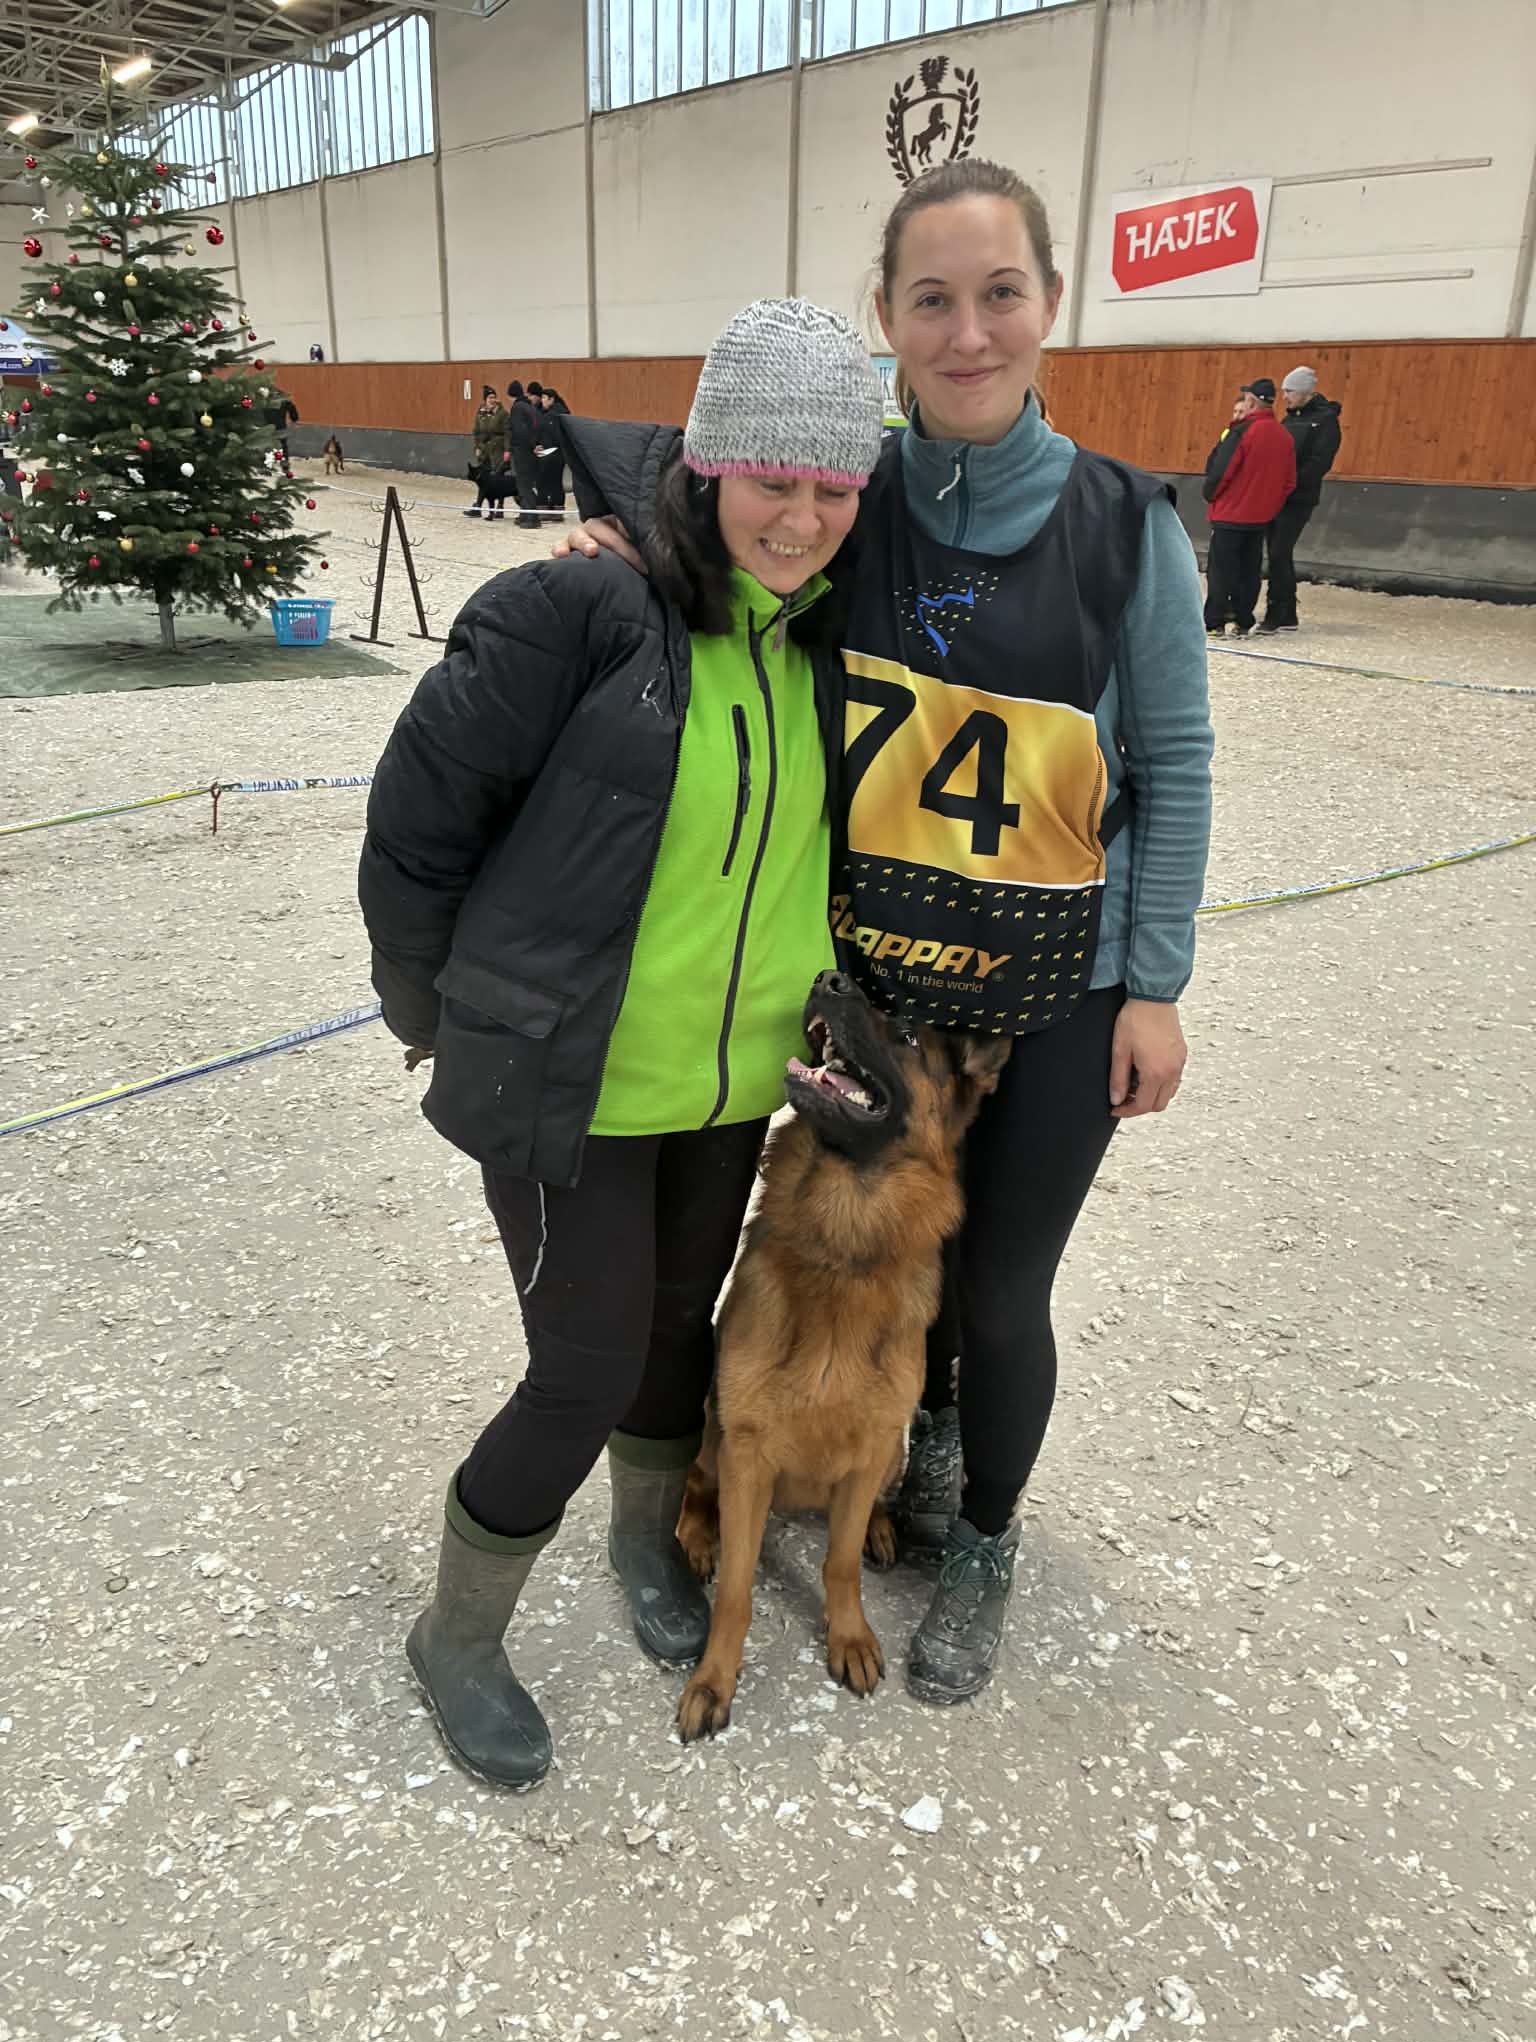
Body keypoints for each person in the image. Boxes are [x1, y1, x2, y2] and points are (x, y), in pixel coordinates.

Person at [563, 158, 1214, 1709]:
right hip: (874, 979)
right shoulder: (852, 501)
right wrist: (616, 557)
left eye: (999, 294)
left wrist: (1158, 985)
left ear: (1050, 304)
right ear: (889, 317)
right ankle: (845, 1447)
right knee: (822, 1254)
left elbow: (1177, 764)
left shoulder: (1129, 528)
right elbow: (728, 549)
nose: (968, 331)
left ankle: (980, 1533)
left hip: (1056, 989)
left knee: (999, 1286)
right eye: (933, 299)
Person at [358, 299, 883, 1788]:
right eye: (770, 477)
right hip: (570, 1089)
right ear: (707, 465)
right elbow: (414, 833)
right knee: (580, 1369)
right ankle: (458, 1634)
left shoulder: (824, 640)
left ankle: (643, 1544)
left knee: (673, 1335)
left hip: (726, 1091)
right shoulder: (580, 609)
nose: (800, 517)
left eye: (833, 485)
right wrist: (443, 1019)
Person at [1201, 377, 1296, 637]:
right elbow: (1289, 481)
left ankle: (1215, 621)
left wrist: (1211, 495)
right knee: (1249, 570)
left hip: (1230, 513)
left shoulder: (1242, 432)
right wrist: (1270, 506)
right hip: (1259, 517)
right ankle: (1243, 620)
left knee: (1221, 569)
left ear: (1251, 401)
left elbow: (1222, 471)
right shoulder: (1284, 436)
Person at [1259, 366, 1342, 634]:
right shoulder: (1289, 419)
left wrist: (1290, 485)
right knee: (1277, 553)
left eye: (1290, 391)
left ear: (1306, 392)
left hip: (1299, 498)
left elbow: (1319, 462)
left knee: (1279, 552)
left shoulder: (1325, 421)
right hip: (1276, 495)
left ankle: (1275, 611)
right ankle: (1287, 614)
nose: (1285, 396)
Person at [464, 384, 508, 519]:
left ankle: (499, 507)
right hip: (484, 450)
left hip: (497, 449)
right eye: (489, 397)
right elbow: (476, 431)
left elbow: (507, 433)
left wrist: (507, 450)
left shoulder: (502, 413)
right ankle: (478, 507)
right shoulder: (481, 413)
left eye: (494, 397)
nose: (492, 400)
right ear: (485, 399)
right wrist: (477, 446)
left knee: (498, 479)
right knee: (483, 480)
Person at [504, 379, 541, 529]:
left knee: (524, 485)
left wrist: (528, 445)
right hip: (530, 452)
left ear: (510, 395)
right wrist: (536, 444)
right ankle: (525, 514)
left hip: (522, 451)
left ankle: (532, 518)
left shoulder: (517, 408)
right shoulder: (529, 406)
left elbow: (520, 431)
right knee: (526, 484)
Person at [534, 386, 571, 517]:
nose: (542, 400)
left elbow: (550, 435)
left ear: (551, 399)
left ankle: (543, 509)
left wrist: (540, 445)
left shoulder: (552, 415)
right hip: (560, 454)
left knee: (543, 481)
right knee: (556, 482)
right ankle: (557, 510)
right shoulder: (563, 413)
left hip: (549, 452)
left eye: (544, 398)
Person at [267, 390, 300, 477]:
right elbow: (292, 407)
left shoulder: (265, 400)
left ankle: (267, 466)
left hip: (266, 427)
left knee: (266, 446)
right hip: (280, 427)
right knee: (283, 447)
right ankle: (285, 467)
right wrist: (294, 419)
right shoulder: (283, 400)